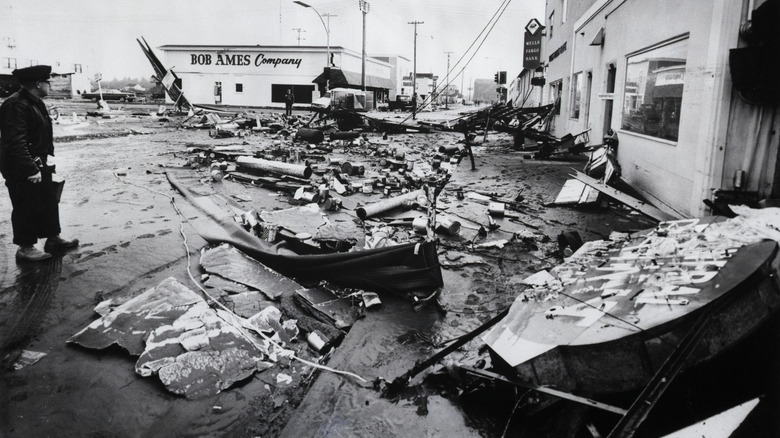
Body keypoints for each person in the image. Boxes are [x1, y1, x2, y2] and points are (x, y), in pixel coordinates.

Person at [0, 65, 79, 262]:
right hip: (21, 165)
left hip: (39, 161)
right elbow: (15, 141)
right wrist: (30, 168)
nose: (49, 85)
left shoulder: (35, 102)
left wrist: (47, 159)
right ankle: (25, 247)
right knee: (25, 203)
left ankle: (53, 237)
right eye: (47, 81)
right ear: (37, 83)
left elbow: (40, 133)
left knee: (48, 198)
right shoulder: (16, 104)